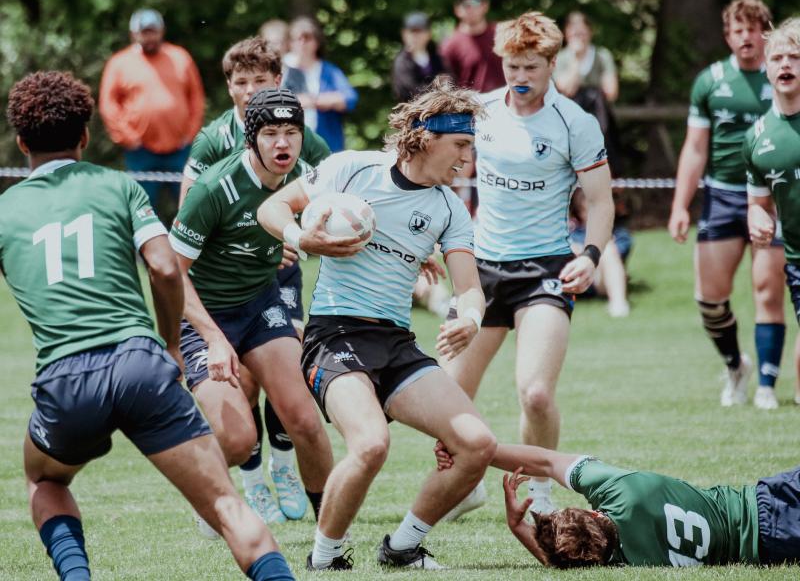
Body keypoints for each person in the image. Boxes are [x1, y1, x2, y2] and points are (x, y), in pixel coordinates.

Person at [1, 71, 294, 581]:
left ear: (21, 142)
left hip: (67, 378)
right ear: (86, 136)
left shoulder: (5, 211)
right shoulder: (120, 186)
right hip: (142, 365)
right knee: (226, 504)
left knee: (45, 479)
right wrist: (171, 347)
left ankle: (77, 576)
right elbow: (163, 267)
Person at [257, 77, 497, 571]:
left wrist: (470, 317)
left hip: (395, 343)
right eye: (461, 145)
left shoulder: (449, 208)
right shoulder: (353, 169)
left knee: (477, 445)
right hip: (334, 337)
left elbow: (470, 286)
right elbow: (272, 206)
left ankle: (403, 546)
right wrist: (304, 240)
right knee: (370, 444)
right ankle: (324, 558)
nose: (466, 159)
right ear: (426, 136)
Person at [442, 11, 614, 520]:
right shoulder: (481, 111)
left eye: (530, 67)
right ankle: (466, 481)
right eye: (512, 66)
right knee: (443, 396)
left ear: (552, 64)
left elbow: (601, 203)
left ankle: (539, 494)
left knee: (536, 394)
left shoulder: (574, 123)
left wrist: (591, 255)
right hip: (482, 272)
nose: (519, 77)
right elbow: (436, 165)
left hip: (545, 271)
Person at [180, 36, 331, 524]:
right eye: (271, 134)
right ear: (250, 137)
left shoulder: (311, 164)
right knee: (239, 433)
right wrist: (206, 336)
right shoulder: (213, 182)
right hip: (207, 310)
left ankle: (330, 534)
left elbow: (348, 208)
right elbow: (169, 272)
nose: (282, 142)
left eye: (291, 132)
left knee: (306, 417)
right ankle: (216, 489)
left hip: (262, 296)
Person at [668, 0, 785, 410]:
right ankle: (737, 365)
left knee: (767, 290)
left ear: (765, 33)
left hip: (774, 197)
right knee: (710, 298)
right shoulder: (711, 81)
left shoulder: (785, 75)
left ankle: (768, 386)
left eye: (753, 29)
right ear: (727, 37)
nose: (746, 37)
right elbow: (696, 149)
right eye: (738, 31)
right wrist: (681, 205)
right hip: (723, 196)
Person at [433, 442, 800, 567]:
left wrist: (518, 528)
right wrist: (474, 448)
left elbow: (562, 563)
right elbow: (546, 461)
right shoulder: (622, 494)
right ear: (593, 512)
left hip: (773, 544)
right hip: (764, 504)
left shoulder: (626, 560)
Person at [99, 8, 205, 220]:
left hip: (180, 149)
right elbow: (108, 104)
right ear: (133, 34)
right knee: (143, 211)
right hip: (141, 152)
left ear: (161, 31)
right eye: (144, 32)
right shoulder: (120, 63)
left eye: (153, 31)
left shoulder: (180, 57)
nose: (149, 37)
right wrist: (128, 138)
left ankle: (192, 251)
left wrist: (191, 134)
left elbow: (196, 98)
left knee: (191, 208)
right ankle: (145, 253)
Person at [745, 16, 800, 407]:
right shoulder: (757, 138)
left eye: (795, 57)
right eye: (778, 57)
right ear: (766, 67)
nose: (786, 65)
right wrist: (757, 217)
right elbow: (758, 203)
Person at [554, 11, 622, 174]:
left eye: (582, 32)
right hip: (570, 118)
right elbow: (566, 89)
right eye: (574, 32)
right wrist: (576, 60)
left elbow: (611, 92)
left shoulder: (602, 56)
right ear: (566, 33)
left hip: (600, 119)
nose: (579, 36)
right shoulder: (561, 57)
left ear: (590, 32)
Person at [284, 16, 358, 152]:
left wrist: (312, 101)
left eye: (307, 38)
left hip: (326, 145)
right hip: (289, 147)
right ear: (290, 43)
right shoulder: (283, 71)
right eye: (297, 39)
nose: (302, 43)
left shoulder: (329, 71)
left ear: (317, 42)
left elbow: (349, 99)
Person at [569, 189, 631, 317]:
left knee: (607, 247)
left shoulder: (619, 234)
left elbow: (615, 257)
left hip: (596, 280)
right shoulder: (571, 232)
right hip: (569, 278)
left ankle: (618, 303)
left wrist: (583, 252)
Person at [440, 0, 505, 93]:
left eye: (475, 2)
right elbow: (445, 87)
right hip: (471, 107)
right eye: (465, 4)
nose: (470, 8)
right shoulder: (450, 45)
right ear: (457, 9)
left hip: (505, 104)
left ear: (485, 5)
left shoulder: (502, 33)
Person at [391, 12, 448, 103]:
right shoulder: (402, 62)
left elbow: (449, 80)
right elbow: (412, 91)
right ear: (404, 34)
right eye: (412, 32)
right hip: (412, 113)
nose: (415, 36)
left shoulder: (437, 58)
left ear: (429, 34)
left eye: (420, 31)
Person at [259, 19, 306, 93]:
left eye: (280, 42)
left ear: (287, 44)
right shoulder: (256, 73)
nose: (277, 48)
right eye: (272, 43)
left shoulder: (297, 74)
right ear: (263, 44)